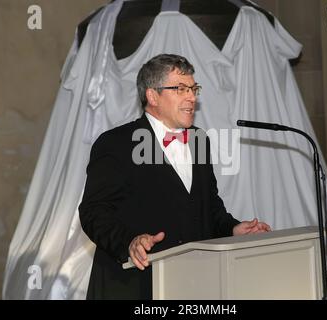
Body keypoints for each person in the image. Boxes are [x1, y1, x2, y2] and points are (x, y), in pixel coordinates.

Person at [79, 53, 271, 299]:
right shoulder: (115, 143)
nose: (192, 97)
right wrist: (129, 242)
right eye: (180, 89)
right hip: (133, 286)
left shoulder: (199, 140)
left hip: (192, 285)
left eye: (193, 88)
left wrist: (233, 228)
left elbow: (209, 207)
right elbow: (93, 212)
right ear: (152, 95)